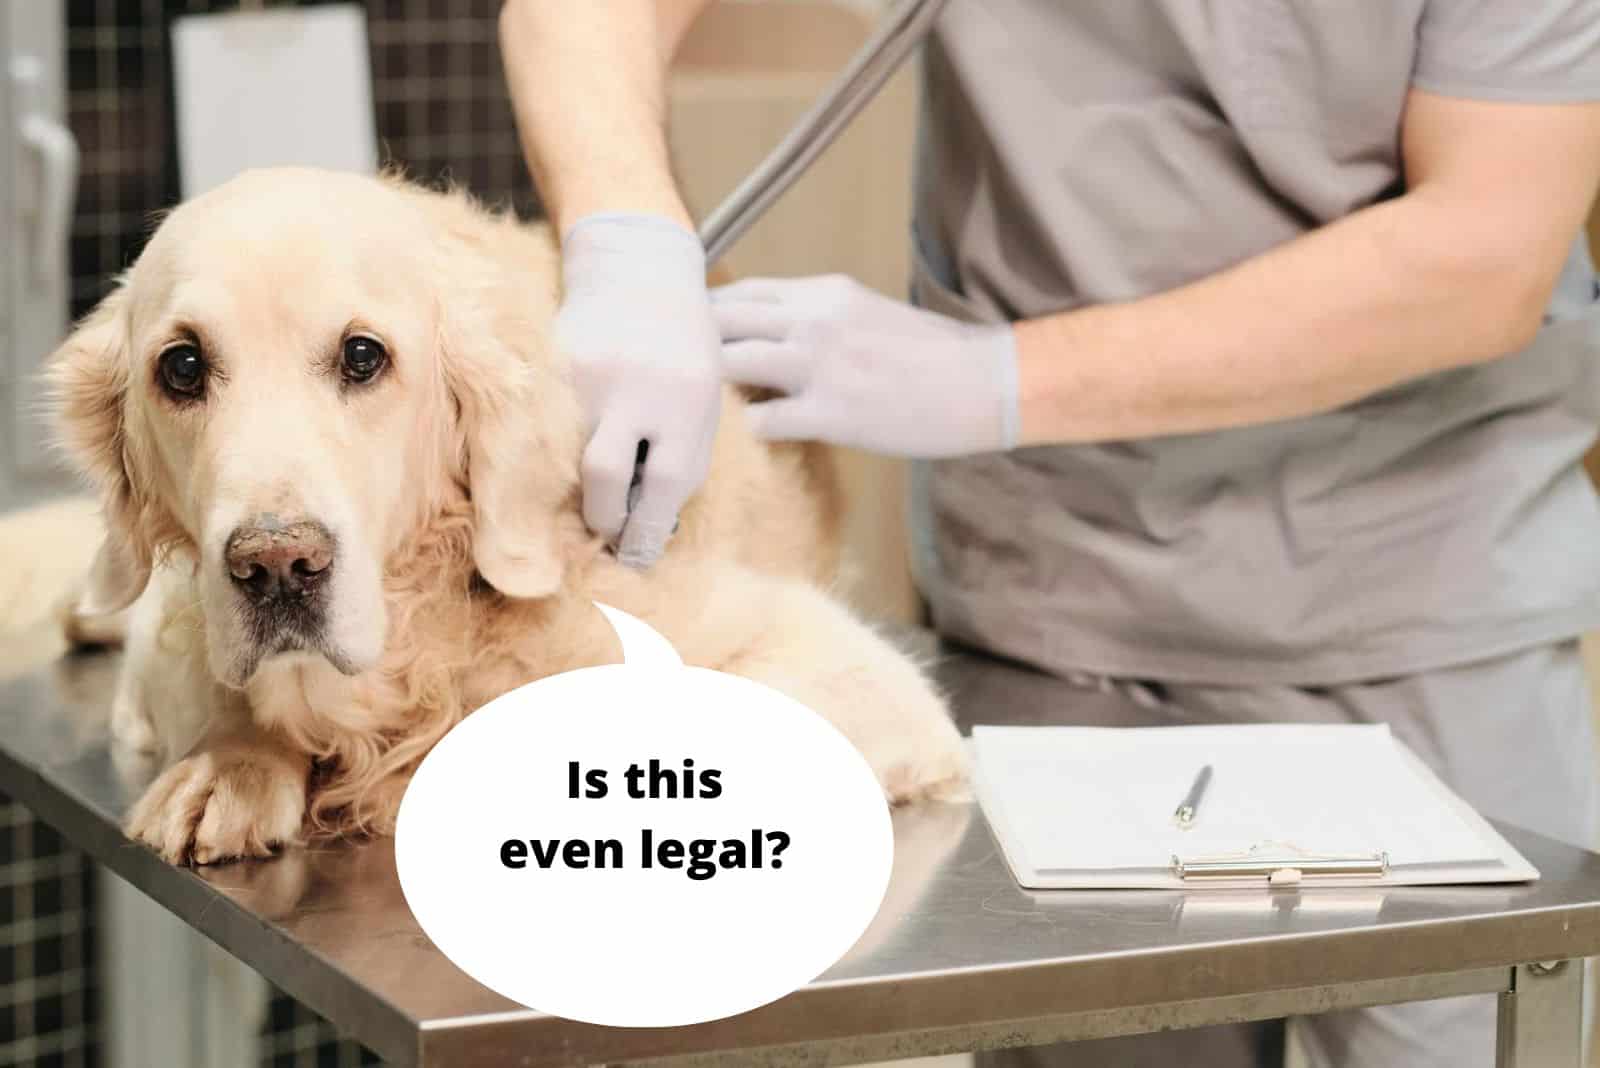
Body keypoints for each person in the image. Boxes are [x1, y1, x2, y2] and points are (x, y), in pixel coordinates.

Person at [499, 1, 1600, 1064]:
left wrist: (1002, 378)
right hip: (1056, 607)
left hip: (1421, 599)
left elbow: (1485, 248)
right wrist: (628, 242)